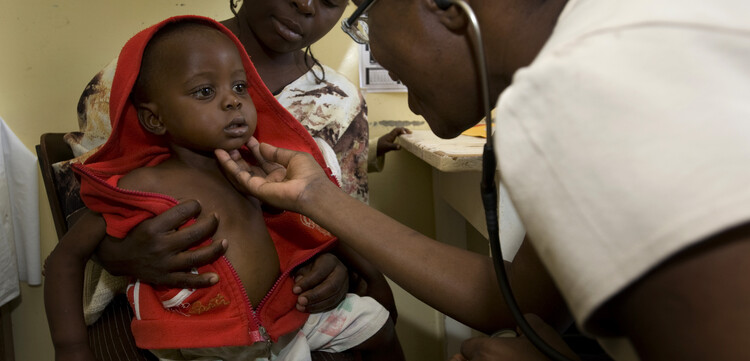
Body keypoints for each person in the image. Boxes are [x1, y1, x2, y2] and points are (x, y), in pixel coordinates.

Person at [209, 0, 750, 360]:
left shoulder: (597, 82)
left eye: (365, 14)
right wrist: (313, 196)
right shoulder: (625, 38)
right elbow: (510, 297)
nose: (369, 47)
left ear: (444, 4)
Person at [45, 16, 403, 361]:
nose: (233, 101)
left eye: (239, 86)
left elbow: (325, 218)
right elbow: (65, 258)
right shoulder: (141, 186)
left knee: (377, 324)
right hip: (208, 342)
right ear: (155, 119)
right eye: (204, 91)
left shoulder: (259, 169)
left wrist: (372, 277)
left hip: (285, 315)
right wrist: (71, 347)